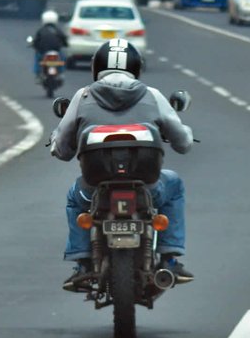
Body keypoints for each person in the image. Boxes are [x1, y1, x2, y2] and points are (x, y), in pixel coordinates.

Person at [49, 38, 194, 290]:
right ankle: (170, 258)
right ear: (136, 68)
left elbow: (62, 149)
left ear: (97, 67)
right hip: (148, 188)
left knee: (75, 197)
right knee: (174, 184)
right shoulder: (153, 96)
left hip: (94, 190)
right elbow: (183, 143)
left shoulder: (82, 96)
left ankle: (83, 262)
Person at [31, 10, 68, 82]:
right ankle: (61, 73)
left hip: (43, 52)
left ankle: (38, 73)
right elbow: (64, 39)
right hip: (56, 51)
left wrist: (34, 45)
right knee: (62, 58)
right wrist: (66, 44)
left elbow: (36, 41)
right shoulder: (58, 30)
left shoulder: (41, 30)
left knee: (37, 59)